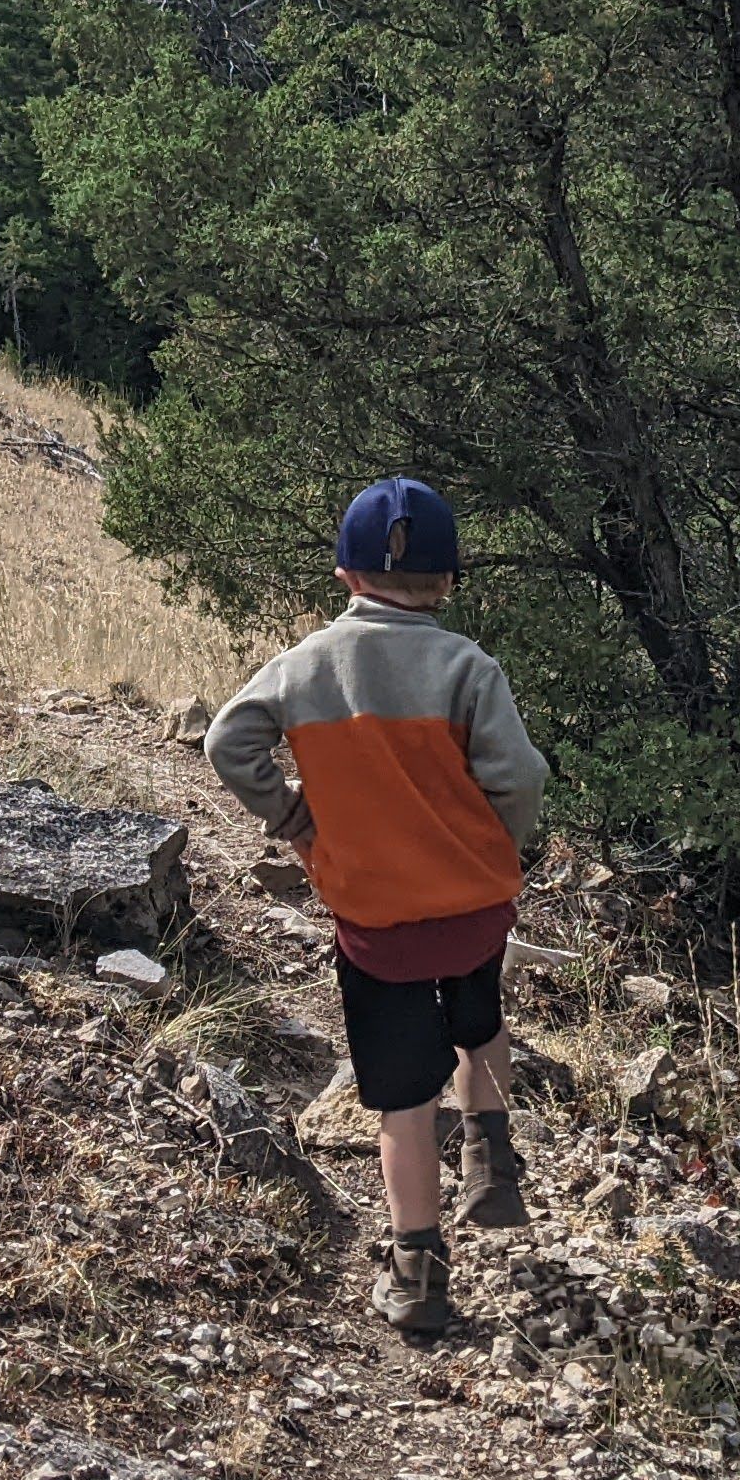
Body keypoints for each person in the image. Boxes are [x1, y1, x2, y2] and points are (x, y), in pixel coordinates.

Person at [206, 475, 547, 1338]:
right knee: (479, 1014)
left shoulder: (306, 667)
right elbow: (522, 777)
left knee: (400, 1103)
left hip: (374, 919)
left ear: (345, 575)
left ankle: (418, 1275)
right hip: (473, 902)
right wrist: (497, 844)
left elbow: (227, 742)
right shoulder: (469, 666)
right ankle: (489, 1158)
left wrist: (294, 819)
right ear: (446, 582)